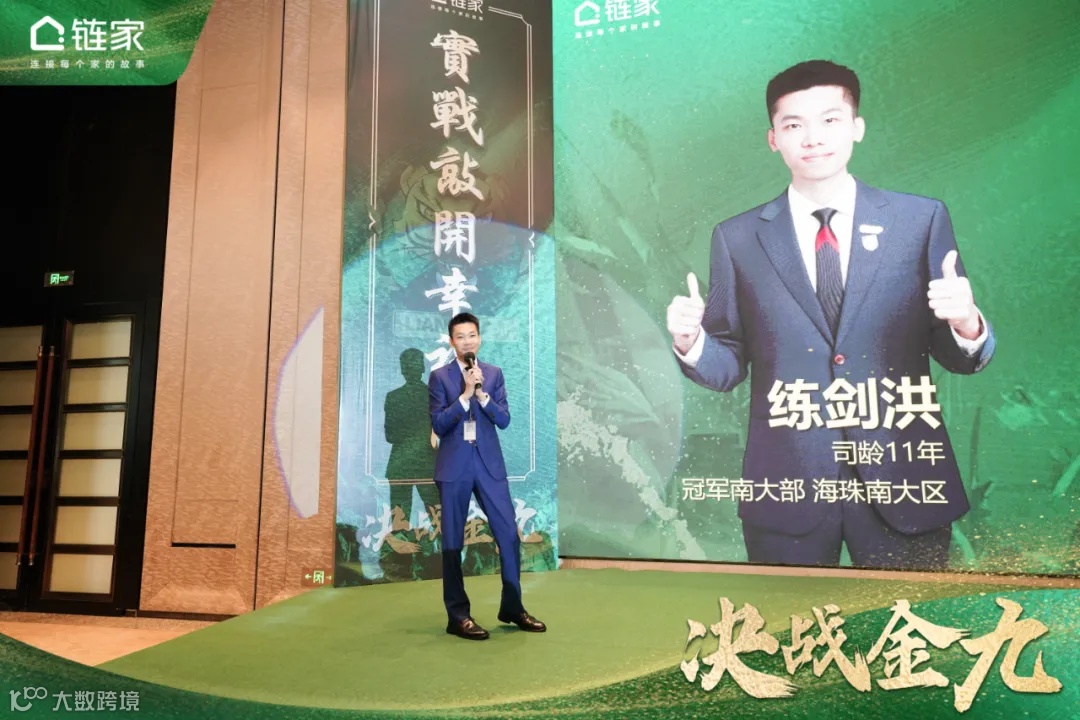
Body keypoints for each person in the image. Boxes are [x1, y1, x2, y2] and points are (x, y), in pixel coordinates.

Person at [665, 60, 996, 570]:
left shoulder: (919, 220)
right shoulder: (738, 238)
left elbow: (958, 357)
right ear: (773, 138)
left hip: (903, 475)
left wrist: (966, 323)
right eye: (793, 124)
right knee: (784, 620)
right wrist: (692, 342)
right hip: (788, 481)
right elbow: (728, 362)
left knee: (910, 619)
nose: (813, 137)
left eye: (830, 120)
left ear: (857, 127)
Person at [428, 312, 546, 639]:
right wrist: (464, 396)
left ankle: (513, 607)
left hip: (489, 465)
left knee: (508, 534)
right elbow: (439, 424)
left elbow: (504, 420)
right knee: (453, 543)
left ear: (479, 338)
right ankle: (458, 616)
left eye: (472, 335)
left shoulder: (493, 374)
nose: (467, 342)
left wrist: (482, 396)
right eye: (460, 337)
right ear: (452, 342)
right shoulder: (439, 377)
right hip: (454, 467)